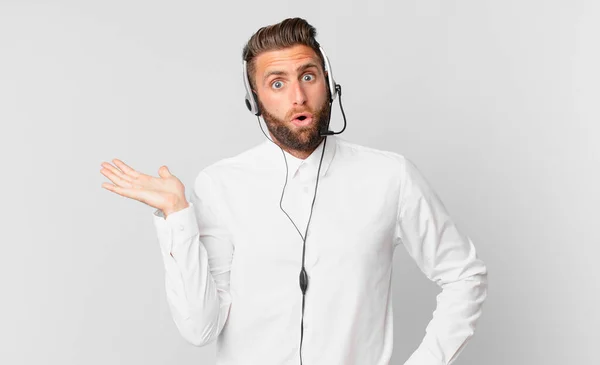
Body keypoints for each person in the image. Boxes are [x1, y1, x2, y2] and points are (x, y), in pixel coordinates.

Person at [100, 17, 487, 365]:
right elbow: (200, 329)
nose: (298, 97)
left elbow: (464, 275)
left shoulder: (390, 176)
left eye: (308, 76)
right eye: (277, 83)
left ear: (329, 83)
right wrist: (176, 215)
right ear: (255, 100)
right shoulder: (220, 185)